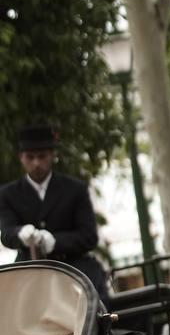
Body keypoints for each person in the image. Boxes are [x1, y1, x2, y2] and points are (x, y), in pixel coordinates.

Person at [0, 125, 107, 297]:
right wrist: (21, 233)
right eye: (30, 157)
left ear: (52, 156)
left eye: (42, 156)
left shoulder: (75, 189)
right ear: (21, 157)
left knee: (95, 302)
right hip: (31, 273)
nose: (36, 163)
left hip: (75, 270)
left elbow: (89, 236)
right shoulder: (8, 194)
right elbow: (6, 234)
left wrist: (55, 241)